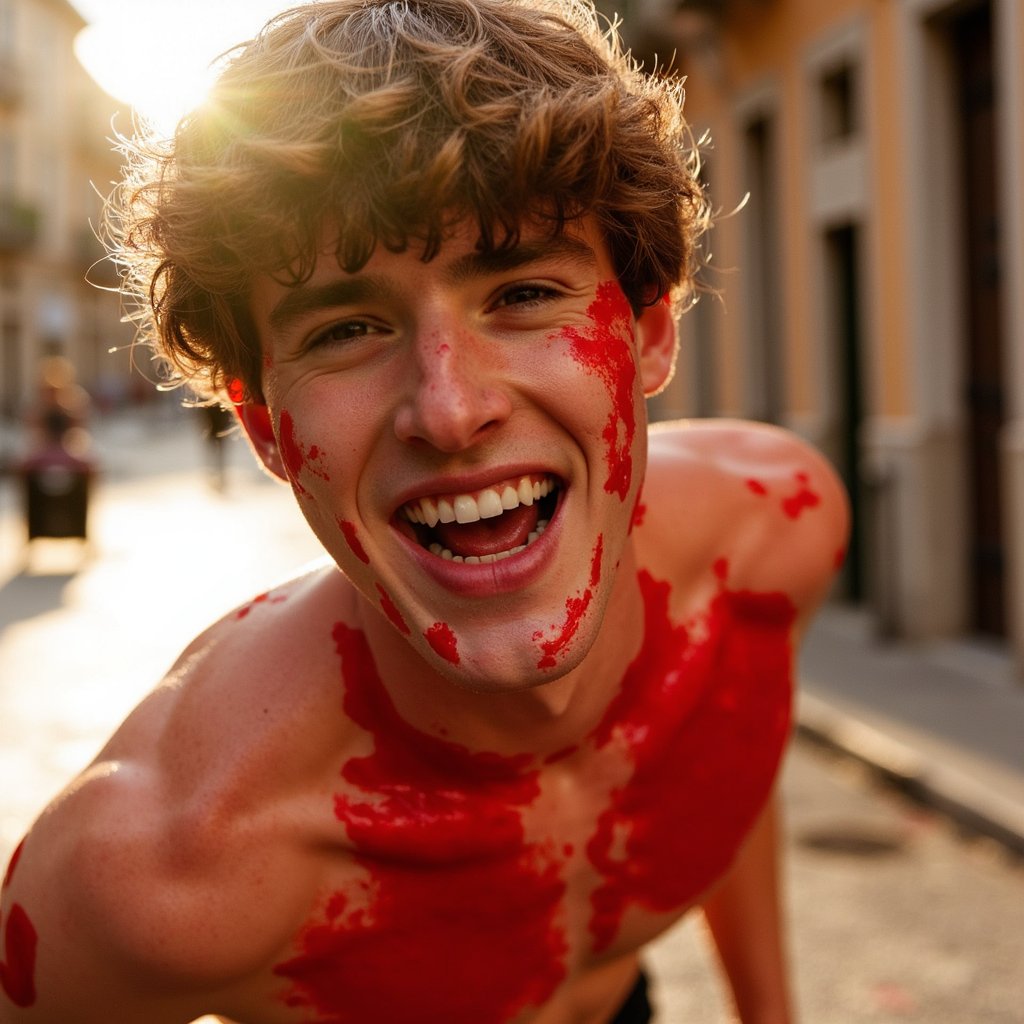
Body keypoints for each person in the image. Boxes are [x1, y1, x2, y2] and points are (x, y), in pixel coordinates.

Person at [0, 1, 849, 1021]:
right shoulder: (154, 871)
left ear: (650, 333)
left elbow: (726, 765)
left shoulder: (769, 538)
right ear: (265, 426)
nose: (450, 410)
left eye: (525, 294)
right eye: (349, 329)